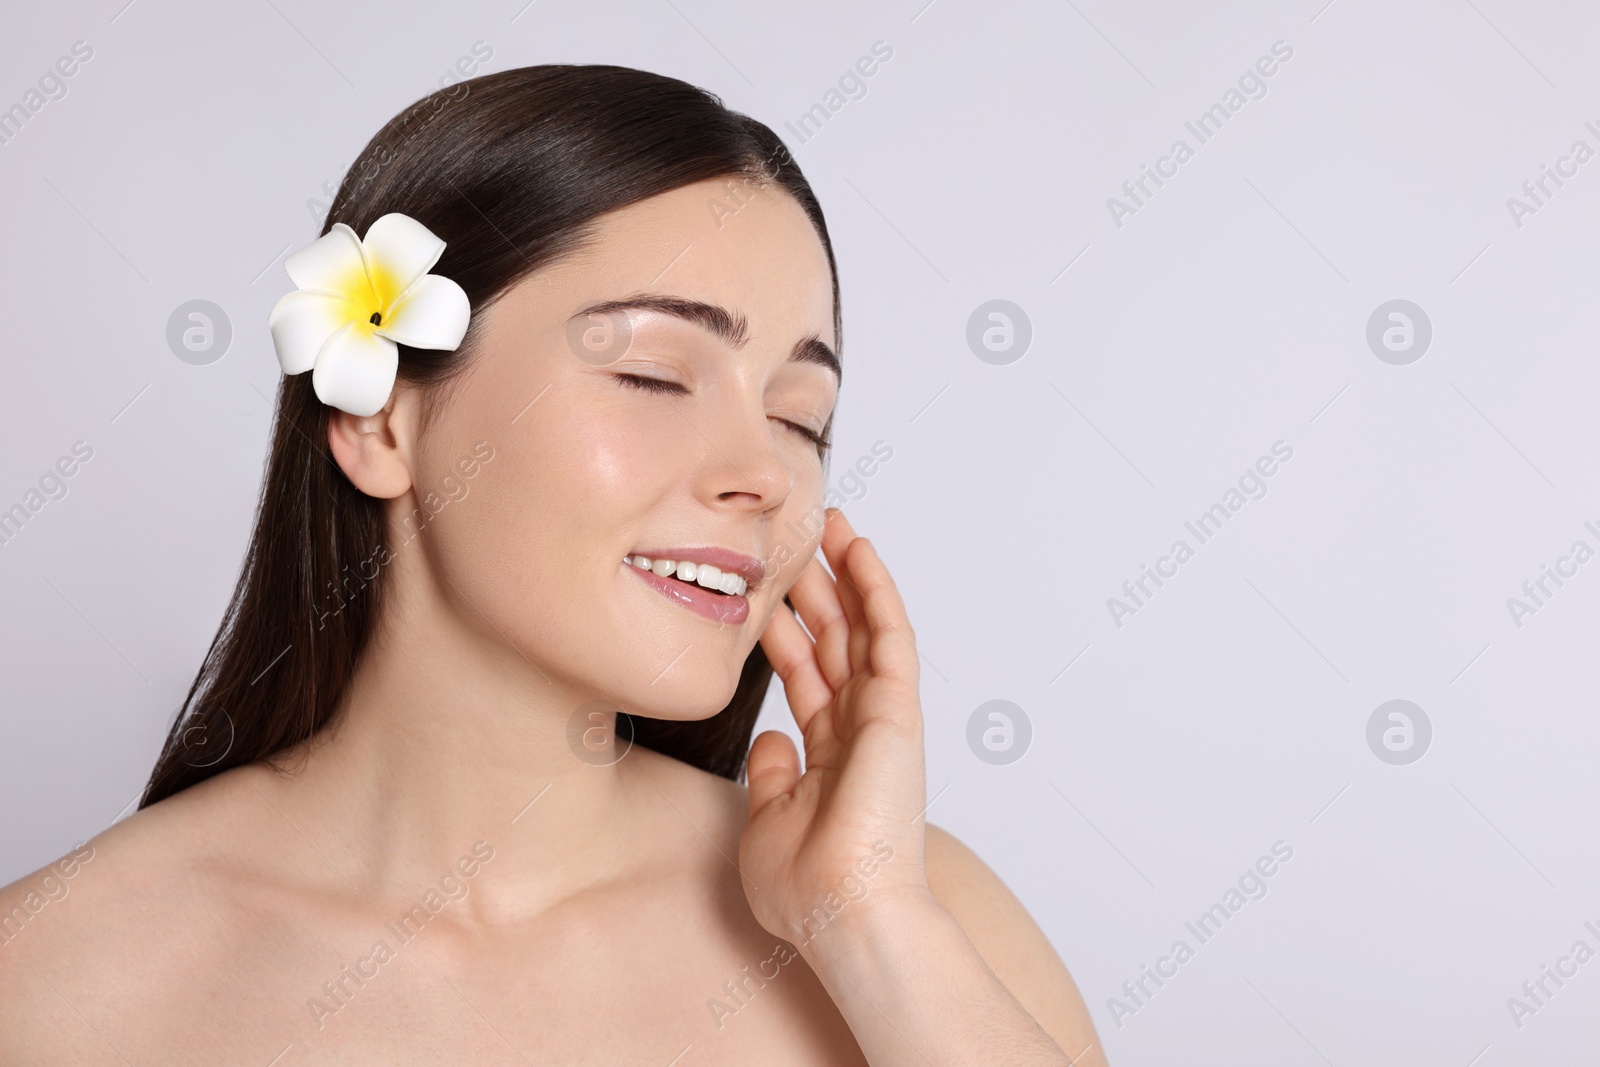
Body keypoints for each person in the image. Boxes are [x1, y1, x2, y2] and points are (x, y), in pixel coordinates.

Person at [0, 64, 1105, 1065]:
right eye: (654, 376)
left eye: (798, 416)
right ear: (384, 420)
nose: (763, 472)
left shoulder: (920, 923)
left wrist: (869, 927)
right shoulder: (52, 982)